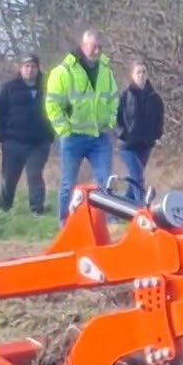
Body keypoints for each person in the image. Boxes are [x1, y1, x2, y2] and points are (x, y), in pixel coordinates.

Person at [45, 29, 119, 225]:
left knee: (106, 182)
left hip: (99, 137)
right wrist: (63, 130)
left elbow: (113, 99)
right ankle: (65, 224)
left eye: (99, 47)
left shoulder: (105, 70)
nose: (96, 51)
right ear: (83, 45)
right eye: (93, 46)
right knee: (68, 184)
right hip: (73, 137)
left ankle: (107, 223)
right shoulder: (63, 72)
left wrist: (110, 122)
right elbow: (52, 104)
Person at [0, 54, 54, 215]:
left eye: (33, 66)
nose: (30, 69)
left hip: (39, 143)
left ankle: (37, 210)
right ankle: (4, 209)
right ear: (20, 68)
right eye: (26, 66)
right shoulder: (9, 88)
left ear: (38, 68)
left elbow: (58, 109)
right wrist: (1, 136)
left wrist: (50, 135)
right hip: (13, 142)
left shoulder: (47, 88)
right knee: (9, 178)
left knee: (35, 176)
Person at [114, 61, 164, 204]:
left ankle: (119, 210)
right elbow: (116, 118)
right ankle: (141, 208)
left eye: (144, 72)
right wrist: (122, 134)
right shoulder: (125, 96)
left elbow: (159, 120)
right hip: (127, 145)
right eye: (138, 72)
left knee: (134, 181)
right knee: (137, 175)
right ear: (132, 75)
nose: (141, 75)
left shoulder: (155, 98)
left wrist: (156, 136)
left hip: (145, 145)